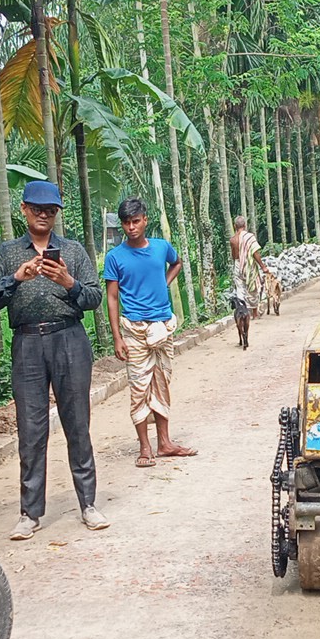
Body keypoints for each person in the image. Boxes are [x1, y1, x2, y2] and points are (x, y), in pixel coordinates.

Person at [0, 181, 109, 540]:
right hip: (27, 344)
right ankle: (30, 513)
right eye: (37, 209)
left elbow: (94, 297)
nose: (43, 215)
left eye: (50, 210)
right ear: (23, 209)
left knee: (77, 424)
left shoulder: (73, 250)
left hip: (69, 339)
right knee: (31, 430)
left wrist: (69, 282)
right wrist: (15, 278)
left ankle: (88, 504)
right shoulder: (8, 253)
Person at [104, 199, 197, 467]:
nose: (131, 227)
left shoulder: (161, 247)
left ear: (145, 220)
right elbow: (112, 297)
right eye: (126, 223)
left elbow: (176, 263)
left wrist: (163, 283)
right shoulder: (114, 257)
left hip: (163, 326)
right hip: (134, 330)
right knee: (139, 387)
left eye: (135, 221)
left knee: (162, 382)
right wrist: (117, 337)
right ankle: (145, 447)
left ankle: (165, 443)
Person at [230, 216, 273, 316]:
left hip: (238, 265)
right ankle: (254, 313)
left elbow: (234, 256)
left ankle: (242, 312)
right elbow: (255, 253)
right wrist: (263, 267)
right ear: (245, 225)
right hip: (249, 265)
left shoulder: (232, 240)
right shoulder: (250, 237)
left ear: (234, 226)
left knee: (240, 289)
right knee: (252, 288)